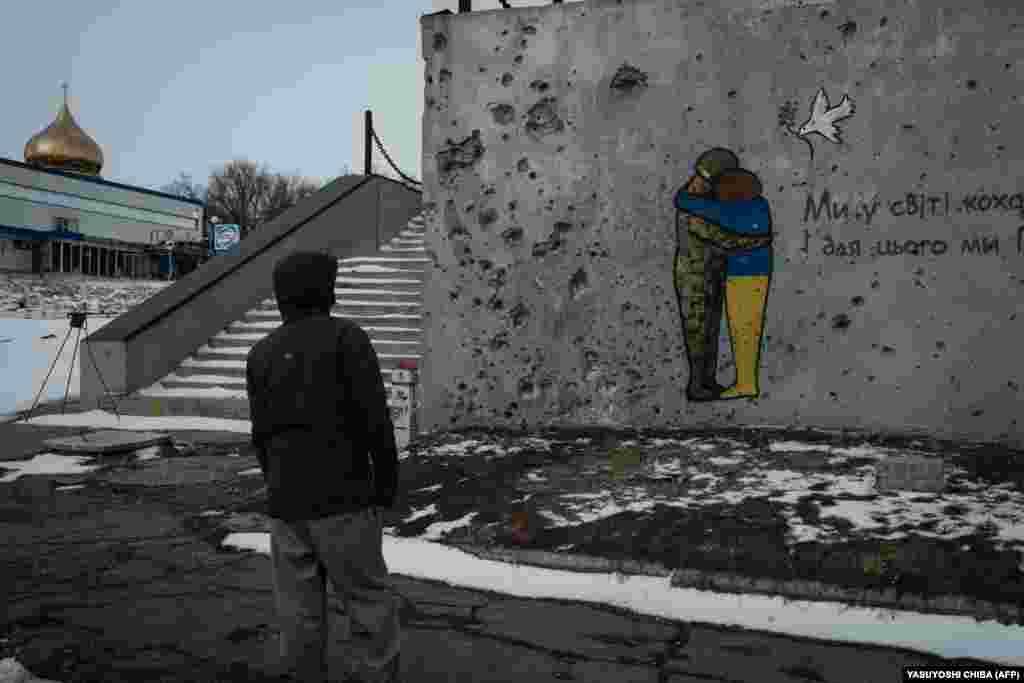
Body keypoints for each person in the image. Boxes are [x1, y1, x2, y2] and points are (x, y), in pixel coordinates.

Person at [246, 250, 402, 683]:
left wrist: (274, 482)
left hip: (285, 503)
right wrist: (386, 485)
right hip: (345, 499)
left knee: (298, 613)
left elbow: (261, 434)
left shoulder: (260, 353)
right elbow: (375, 421)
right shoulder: (347, 338)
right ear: (324, 289)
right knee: (367, 601)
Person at [673, 148, 770, 401]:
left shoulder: (698, 201)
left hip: (711, 275)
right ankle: (697, 386)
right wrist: (757, 241)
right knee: (698, 331)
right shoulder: (692, 209)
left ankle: (707, 381)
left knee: (710, 330)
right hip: (694, 279)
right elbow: (723, 239)